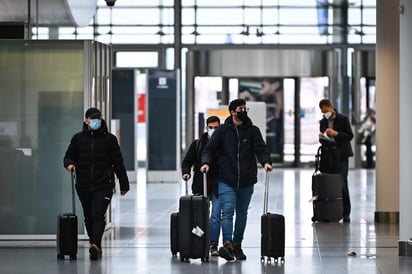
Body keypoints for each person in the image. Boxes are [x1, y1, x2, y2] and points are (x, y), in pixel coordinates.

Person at [201, 99, 272, 261]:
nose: (243, 111)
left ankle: (237, 244)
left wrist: (266, 162)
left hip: (247, 180)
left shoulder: (253, 131)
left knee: (242, 214)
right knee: (227, 212)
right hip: (226, 178)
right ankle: (228, 245)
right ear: (232, 112)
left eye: (244, 108)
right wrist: (205, 163)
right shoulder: (223, 131)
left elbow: (261, 149)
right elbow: (209, 149)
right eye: (240, 109)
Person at [63, 107, 130, 260]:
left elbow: (118, 163)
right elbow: (68, 156)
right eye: (93, 119)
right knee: (88, 216)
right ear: (86, 120)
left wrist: (124, 184)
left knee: (97, 214)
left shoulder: (110, 139)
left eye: (98, 118)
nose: (96, 121)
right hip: (83, 184)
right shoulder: (78, 139)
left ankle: (95, 244)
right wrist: (69, 164)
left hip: (104, 184)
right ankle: (95, 244)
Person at [181, 115, 222, 256]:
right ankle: (198, 241)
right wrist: (186, 173)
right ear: (206, 128)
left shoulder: (223, 144)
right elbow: (187, 161)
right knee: (199, 216)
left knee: (215, 216)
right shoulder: (198, 144)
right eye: (211, 128)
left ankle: (213, 244)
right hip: (200, 185)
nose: (213, 130)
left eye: (216, 128)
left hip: (217, 187)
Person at [318, 99, 354, 222]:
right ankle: (331, 210)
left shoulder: (342, 119)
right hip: (329, 155)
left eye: (326, 111)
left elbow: (350, 136)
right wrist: (323, 137)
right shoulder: (323, 122)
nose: (325, 114)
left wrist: (336, 133)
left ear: (331, 107)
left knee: (342, 182)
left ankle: (346, 212)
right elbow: (322, 139)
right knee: (329, 183)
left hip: (342, 155)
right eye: (323, 112)